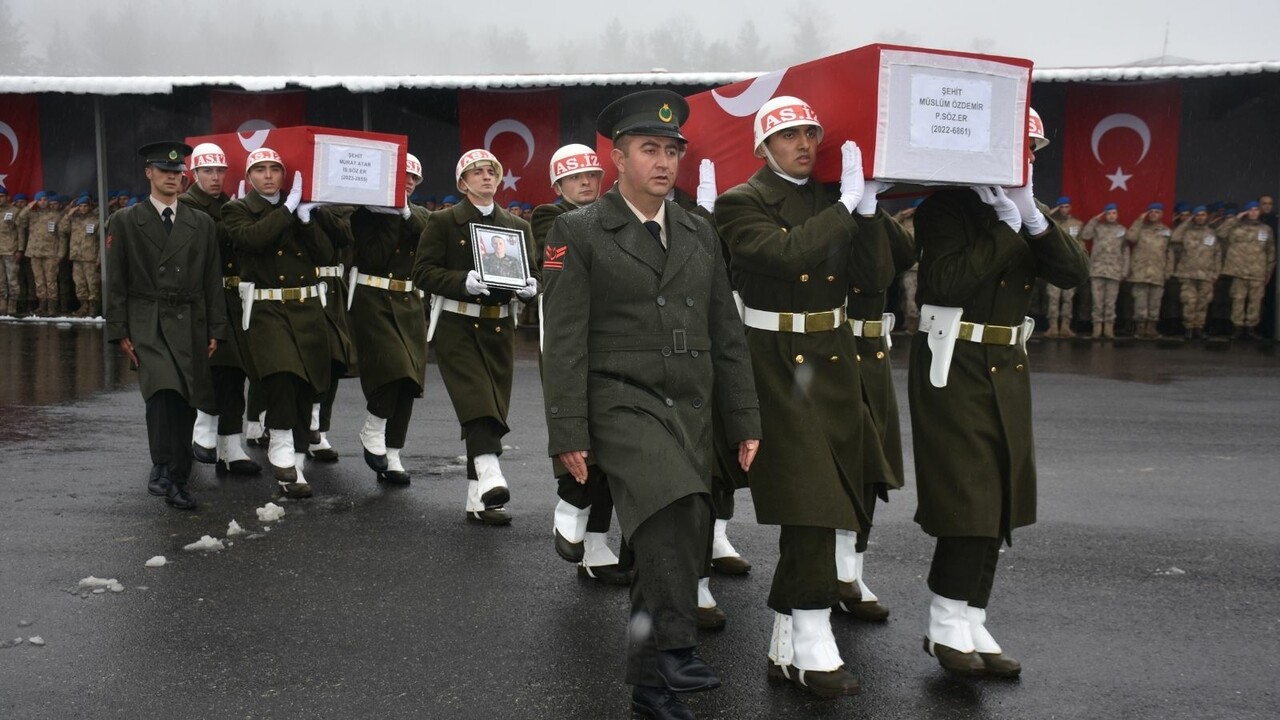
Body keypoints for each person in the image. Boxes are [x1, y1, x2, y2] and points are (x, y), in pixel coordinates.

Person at [543, 89, 760, 720]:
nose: (663, 161)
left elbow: (727, 333)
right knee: (675, 507)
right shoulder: (578, 230)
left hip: (688, 405)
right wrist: (567, 433)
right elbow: (563, 340)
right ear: (618, 157)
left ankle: (652, 688)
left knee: (680, 532)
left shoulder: (698, 229)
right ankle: (673, 646)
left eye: (672, 150)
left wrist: (743, 418)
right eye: (649, 149)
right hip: (618, 399)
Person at [714, 95, 895, 697]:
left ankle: (788, 637)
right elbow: (785, 254)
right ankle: (813, 635)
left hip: (834, 359)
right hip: (774, 363)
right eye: (789, 135)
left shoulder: (831, 199)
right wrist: (845, 206)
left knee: (833, 495)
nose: (804, 144)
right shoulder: (740, 203)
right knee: (811, 496)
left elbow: (873, 279)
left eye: (811, 133)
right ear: (764, 147)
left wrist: (868, 212)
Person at [909, 109, 1089, 678]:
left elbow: (1073, 274)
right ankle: (943, 619)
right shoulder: (947, 206)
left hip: (1007, 361)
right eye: (1020, 147)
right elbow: (946, 282)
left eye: (1034, 148)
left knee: (1003, 490)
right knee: (970, 493)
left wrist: (1033, 218)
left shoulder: (1026, 209)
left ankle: (972, 613)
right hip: (954, 357)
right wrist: (1006, 229)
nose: (1028, 158)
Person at [412, 148, 538, 525]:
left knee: (492, 404)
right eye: (477, 172)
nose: (486, 177)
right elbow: (422, 272)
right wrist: (459, 282)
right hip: (458, 324)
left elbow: (530, 271)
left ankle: (478, 500)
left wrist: (532, 286)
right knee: (477, 400)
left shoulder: (517, 226)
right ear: (462, 182)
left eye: (491, 171)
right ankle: (490, 472)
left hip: (499, 326)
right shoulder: (443, 221)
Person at [105, 141, 227, 510]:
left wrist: (216, 328)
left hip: (190, 318)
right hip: (148, 318)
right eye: (165, 172)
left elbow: (211, 279)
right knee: (162, 390)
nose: (173, 179)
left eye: (178, 173)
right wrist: (119, 330)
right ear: (149, 174)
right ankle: (163, 467)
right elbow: (117, 279)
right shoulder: (126, 220)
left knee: (186, 400)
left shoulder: (200, 223)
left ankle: (176, 476)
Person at [531, 143, 632, 583]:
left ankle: (595, 544)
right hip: (572, 341)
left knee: (612, 443)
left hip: (616, 339)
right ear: (558, 185)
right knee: (580, 431)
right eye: (575, 178)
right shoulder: (549, 218)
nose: (587, 182)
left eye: (592, 174)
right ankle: (569, 502)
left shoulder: (612, 215)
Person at [223, 148, 332, 499]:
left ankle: (295, 465)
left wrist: (305, 219)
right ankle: (280, 445)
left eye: (274, 169)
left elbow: (327, 255)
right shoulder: (236, 209)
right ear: (249, 177)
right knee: (282, 376)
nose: (268, 176)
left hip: (307, 308)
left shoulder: (298, 209)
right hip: (267, 310)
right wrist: (286, 211)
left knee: (307, 386)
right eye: (260, 170)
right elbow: (252, 239)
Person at [178, 142, 261, 476]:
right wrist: (241, 215)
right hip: (200, 297)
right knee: (208, 370)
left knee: (234, 372)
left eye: (220, 171)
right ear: (194, 174)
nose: (215, 177)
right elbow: (207, 239)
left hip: (232, 297)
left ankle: (230, 445)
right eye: (208, 171)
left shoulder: (228, 204)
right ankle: (201, 431)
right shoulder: (185, 206)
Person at [348, 153, 429, 485]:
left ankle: (393, 452)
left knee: (409, 381)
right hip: (372, 297)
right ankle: (373, 425)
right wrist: (391, 216)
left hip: (408, 299)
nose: (408, 181)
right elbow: (376, 256)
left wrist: (404, 212)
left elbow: (427, 240)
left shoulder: (421, 214)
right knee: (393, 366)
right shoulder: (366, 215)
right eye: (402, 175)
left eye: (413, 178)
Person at [1216, 200, 1275, 339]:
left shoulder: (1266, 229)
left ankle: (1250, 329)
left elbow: (1270, 252)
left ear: (1259, 212)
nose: (1253, 212)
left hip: (1257, 271)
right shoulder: (1236, 227)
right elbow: (1219, 232)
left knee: (1255, 301)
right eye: (1250, 210)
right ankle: (1237, 328)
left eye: (1256, 209)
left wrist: (1268, 272)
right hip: (1239, 271)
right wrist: (1236, 218)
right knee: (1238, 300)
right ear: (1246, 212)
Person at [1170, 205, 1221, 340]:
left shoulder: (1211, 233)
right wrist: (1187, 221)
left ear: (1206, 216)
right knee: (1189, 301)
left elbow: (1217, 254)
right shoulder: (1186, 231)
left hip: (1206, 274)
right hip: (1188, 273)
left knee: (1203, 302)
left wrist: (1215, 273)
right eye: (1197, 215)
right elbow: (1174, 237)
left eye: (1203, 215)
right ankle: (1188, 328)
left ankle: (1199, 327)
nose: (1200, 218)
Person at [1125, 202, 1173, 339]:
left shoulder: (1166, 231)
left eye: (1157, 212)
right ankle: (1140, 329)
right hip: (1140, 272)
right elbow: (1130, 237)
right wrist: (1139, 220)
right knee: (1140, 302)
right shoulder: (1140, 228)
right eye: (1151, 211)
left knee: (1155, 303)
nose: (1154, 214)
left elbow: (1169, 253)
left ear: (1161, 214)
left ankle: (1151, 328)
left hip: (1157, 272)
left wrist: (1168, 271)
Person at [1082, 203, 1128, 339]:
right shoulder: (1098, 228)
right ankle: (1097, 328)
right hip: (1098, 270)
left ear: (1117, 215)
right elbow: (1085, 235)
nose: (1111, 216)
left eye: (1114, 213)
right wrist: (1095, 219)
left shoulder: (1122, 230)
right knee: (1097, 301)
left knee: (1110, 302)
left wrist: (1124, 270)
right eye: (1109, 213)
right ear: (1105, 215)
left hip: (1114, 271)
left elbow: (1125, 252)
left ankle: (1109, 328)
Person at [18, 191, 64, 317]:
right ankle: (42, 305)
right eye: (40, 199)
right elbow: (19, 221)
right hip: (35, 252)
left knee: (51, 280)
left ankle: (52, 307)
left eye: (45, 199)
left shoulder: (56, 215)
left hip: (51, 252)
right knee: (39, 281)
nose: (43, 201)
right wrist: (28, 206)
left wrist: (60, 253)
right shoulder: (32, 214)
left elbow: (62, 236)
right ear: (36, 201)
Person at [1045, 197, 1084, 337]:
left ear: (1070, 207)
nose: (1064, 209)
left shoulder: (1077, 224)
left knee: (1068, 298)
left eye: (1067, 206)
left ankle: (1065, 326)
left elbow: (1081, 246)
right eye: (1061, 207)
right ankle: (1053, 326)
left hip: (1070, 266)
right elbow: (1039, 218)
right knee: (1053, 298)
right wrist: (1051, 212)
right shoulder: (1052, 223)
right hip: (1055, 266)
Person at [60, 196, 101, 317]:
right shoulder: (74, 220)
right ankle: (83, 307)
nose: (83, 208)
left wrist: (99, 258)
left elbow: (101, 241)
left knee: (92, 283)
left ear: (89, 207)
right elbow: (62, 230)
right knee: (79, 283)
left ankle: (93, 309)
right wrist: (69, 214)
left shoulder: (96, 220)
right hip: (77, 257)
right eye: (81, 206)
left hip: (90, 258)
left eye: (85, 206)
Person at [894, 198, 923, 333]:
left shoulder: (928, 220)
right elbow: (889, 225)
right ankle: (909, 322)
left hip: (923, 267)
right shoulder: (905, 221)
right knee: (907, 297)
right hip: (909, 267)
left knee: (915, 297)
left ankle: (915, 325)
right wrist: (902, 214)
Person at [0, 186, 22, 316]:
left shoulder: (15, 211)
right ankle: (2, 304)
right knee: (0, 279)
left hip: (10, 250)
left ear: (7, 197)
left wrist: (20, 249)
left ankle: (13, 304)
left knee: (12, 279)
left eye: (1, 196)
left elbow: (20, 232)